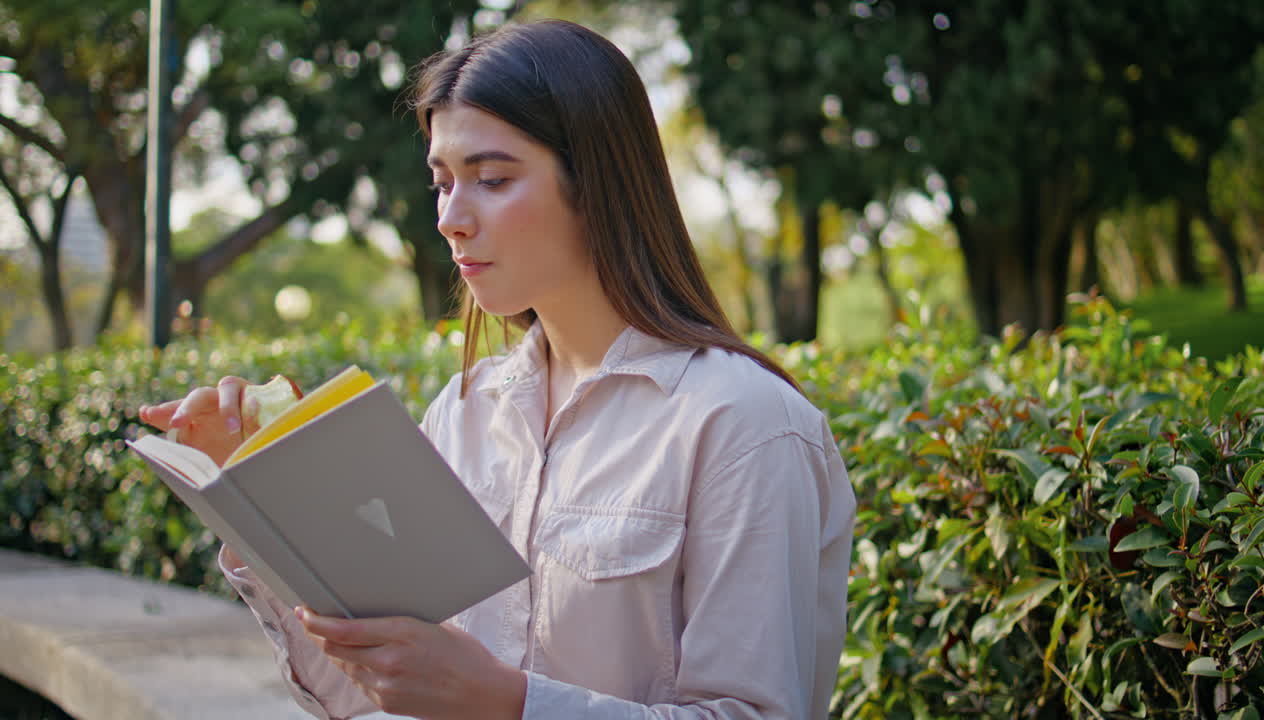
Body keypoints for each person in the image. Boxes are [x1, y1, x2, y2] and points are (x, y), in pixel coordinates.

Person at [137, 18, 856, 720]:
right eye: (442, 181)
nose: (451, 216)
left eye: (491, 178)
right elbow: (368, 697)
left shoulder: (745, 425)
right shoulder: (465, 410)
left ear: (596, 183)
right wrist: (259, 506)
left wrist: (506, 704)